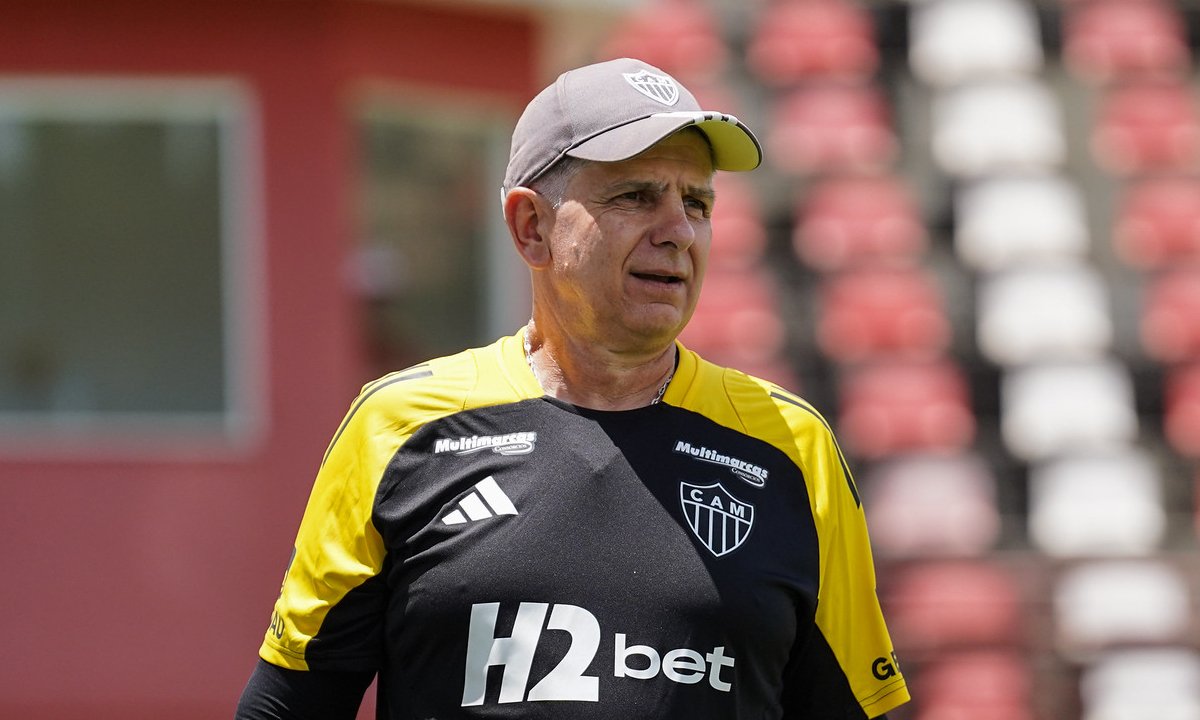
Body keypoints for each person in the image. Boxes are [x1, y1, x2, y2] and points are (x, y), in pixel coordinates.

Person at [236, 57, 910, 719]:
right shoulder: (398, 428)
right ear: (532, 227)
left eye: (697, 203)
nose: (678, 232)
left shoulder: (792, 446)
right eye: (636, 196)